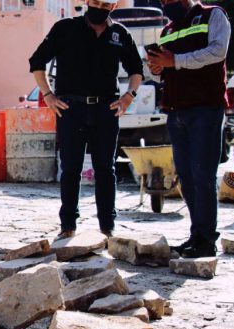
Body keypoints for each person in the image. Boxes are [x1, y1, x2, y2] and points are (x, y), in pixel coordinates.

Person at [29, 0, 144, 240]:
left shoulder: (119, 34)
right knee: (70, 167)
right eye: (96, 2)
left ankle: (107, 227)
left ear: (112, 7)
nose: (100, 7)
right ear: (87, 2)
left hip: (106, 109)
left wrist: (128, 97)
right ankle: (68, 225)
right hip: (71, 108)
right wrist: (48, 95)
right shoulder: (64, 28)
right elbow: (36, 62)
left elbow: (136, 69)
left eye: (105, 4)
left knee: (106, 168)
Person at [148, 0, 230, 258]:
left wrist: (177, 60)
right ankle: (196, 235)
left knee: (202, 175)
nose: (165, 3)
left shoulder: (213, 15)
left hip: (205, 109)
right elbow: (165, 69)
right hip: (176, 110)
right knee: (186, 176)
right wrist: (158, 67)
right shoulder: (168, 30)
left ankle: (206, 240)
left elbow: (218, 51)